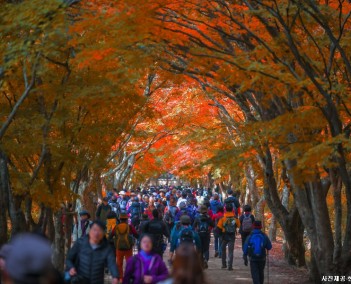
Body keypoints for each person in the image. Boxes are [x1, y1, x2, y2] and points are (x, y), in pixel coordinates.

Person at [109, 213, 139, 282]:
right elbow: (136, 235)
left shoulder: (116, 227)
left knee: (119, 263)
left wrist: (114, 242)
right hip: (128, 248)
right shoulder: (130, 227)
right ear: (126, 219)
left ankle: (121, 278)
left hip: (119, 248)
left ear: (120, 219)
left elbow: (110, 236)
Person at [217, 204, 240, 271]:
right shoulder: (235, 218)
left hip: (225, 235)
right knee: (231, 251)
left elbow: (219, 227)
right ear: (232, 209)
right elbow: (239, 226)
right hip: (232, 235)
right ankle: (230, 265)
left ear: (225, 209)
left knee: (223, 249)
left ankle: (224, 264)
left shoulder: (223, 218)